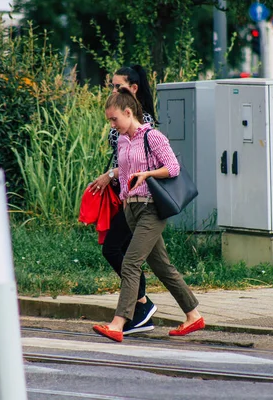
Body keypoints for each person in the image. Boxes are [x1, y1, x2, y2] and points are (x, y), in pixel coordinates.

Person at [92, 88, 205, 343]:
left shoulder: (152, 137)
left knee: (131, 263)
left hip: (151, 208)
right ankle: (193, 315)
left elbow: (173, 167)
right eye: (109, 120)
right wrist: (117, 191)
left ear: (128, 112)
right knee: (162, 267)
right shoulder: (122, 140)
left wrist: (148, 174)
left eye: (114, 119)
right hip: (131, 208)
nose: (112, 124)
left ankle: (118, 324)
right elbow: (123, 171)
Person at [88, 66, 157, 336]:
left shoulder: (143, 120)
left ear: (134, 89)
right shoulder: (121, 116)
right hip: (125, 196)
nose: (114, 91)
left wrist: (110, 175)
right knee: (153, 262)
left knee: (116, 251)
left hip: (140, 197)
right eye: (112, 87)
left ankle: (139, 306)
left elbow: (144, 162)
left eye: (119, 87)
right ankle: (187, 312)